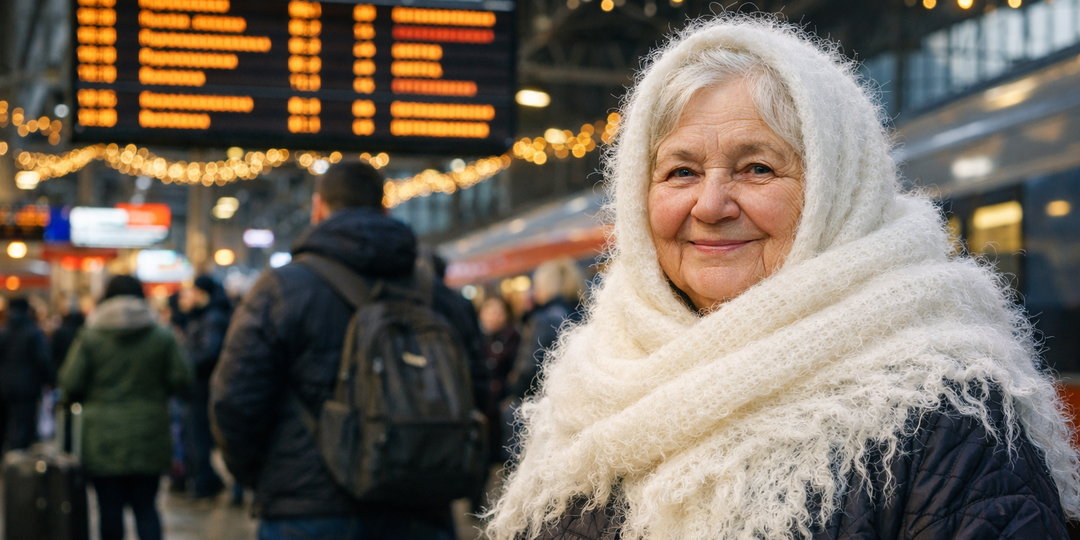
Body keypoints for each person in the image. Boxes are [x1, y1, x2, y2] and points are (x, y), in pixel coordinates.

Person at [484, 16, 1080, 540]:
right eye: (681, 171)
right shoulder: (588, 384)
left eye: (758, 167)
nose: (711, 204)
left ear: (835, 193)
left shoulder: (945, 413)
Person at [211, 161, 487, 540]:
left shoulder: (279, 290)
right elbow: (480, 394)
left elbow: (235, 400)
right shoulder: (440, 298)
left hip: (306, 511)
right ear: (386, 209)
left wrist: (266, 476)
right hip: (419, 507)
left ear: (317, 209)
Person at [58, 275, 190, 540]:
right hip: (149, 432)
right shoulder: (162, 337)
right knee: (146, 508)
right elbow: (182, 379)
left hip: (102, 437)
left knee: (109, 509)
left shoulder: (90, 337)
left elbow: (70, 383)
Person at [503, 257, 585, 403]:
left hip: (549, 399)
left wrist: (511, 391)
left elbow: (529, 369)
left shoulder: (543, 320)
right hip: (580, 394)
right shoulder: (584, 313)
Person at [179, 275, 230, 498]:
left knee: (200, 438)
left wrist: (185, 364)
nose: (185, 295)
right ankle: (205, 480)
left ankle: (206, 482)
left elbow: (209, 352)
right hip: (199, 389)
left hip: (203, 389)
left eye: (190, 290)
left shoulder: (212, 318)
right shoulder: (201, 317)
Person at [0, 297, 53, 452]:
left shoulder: (4, 331)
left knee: (6, 425)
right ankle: (17, 465)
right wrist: (49, 380)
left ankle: (6, 461)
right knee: (22, 428)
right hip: (27, 388)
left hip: (4, 386)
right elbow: (43, 360)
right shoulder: (33, 332)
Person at [478, 296, 520, 462]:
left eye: (498, 311)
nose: (494, 315)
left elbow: (515, 369)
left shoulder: (512, 337)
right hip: (483, 403)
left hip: (504, 403)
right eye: (490, 310)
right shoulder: (476, 337)